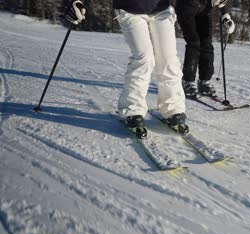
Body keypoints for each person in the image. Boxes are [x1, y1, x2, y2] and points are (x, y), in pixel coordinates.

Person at [66, 0, 188, 137]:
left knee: (169, 60)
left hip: (162, 9)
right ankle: (133, 110)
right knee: (144, 59)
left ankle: (173, 110)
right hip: (130, 9)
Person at [175, 0, 235, 98]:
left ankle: (204, 81)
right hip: (186, 8)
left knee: (206, 42)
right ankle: (187, 82)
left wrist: (226, 18)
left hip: (204, 11)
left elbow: (222, 3)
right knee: (194, 42)